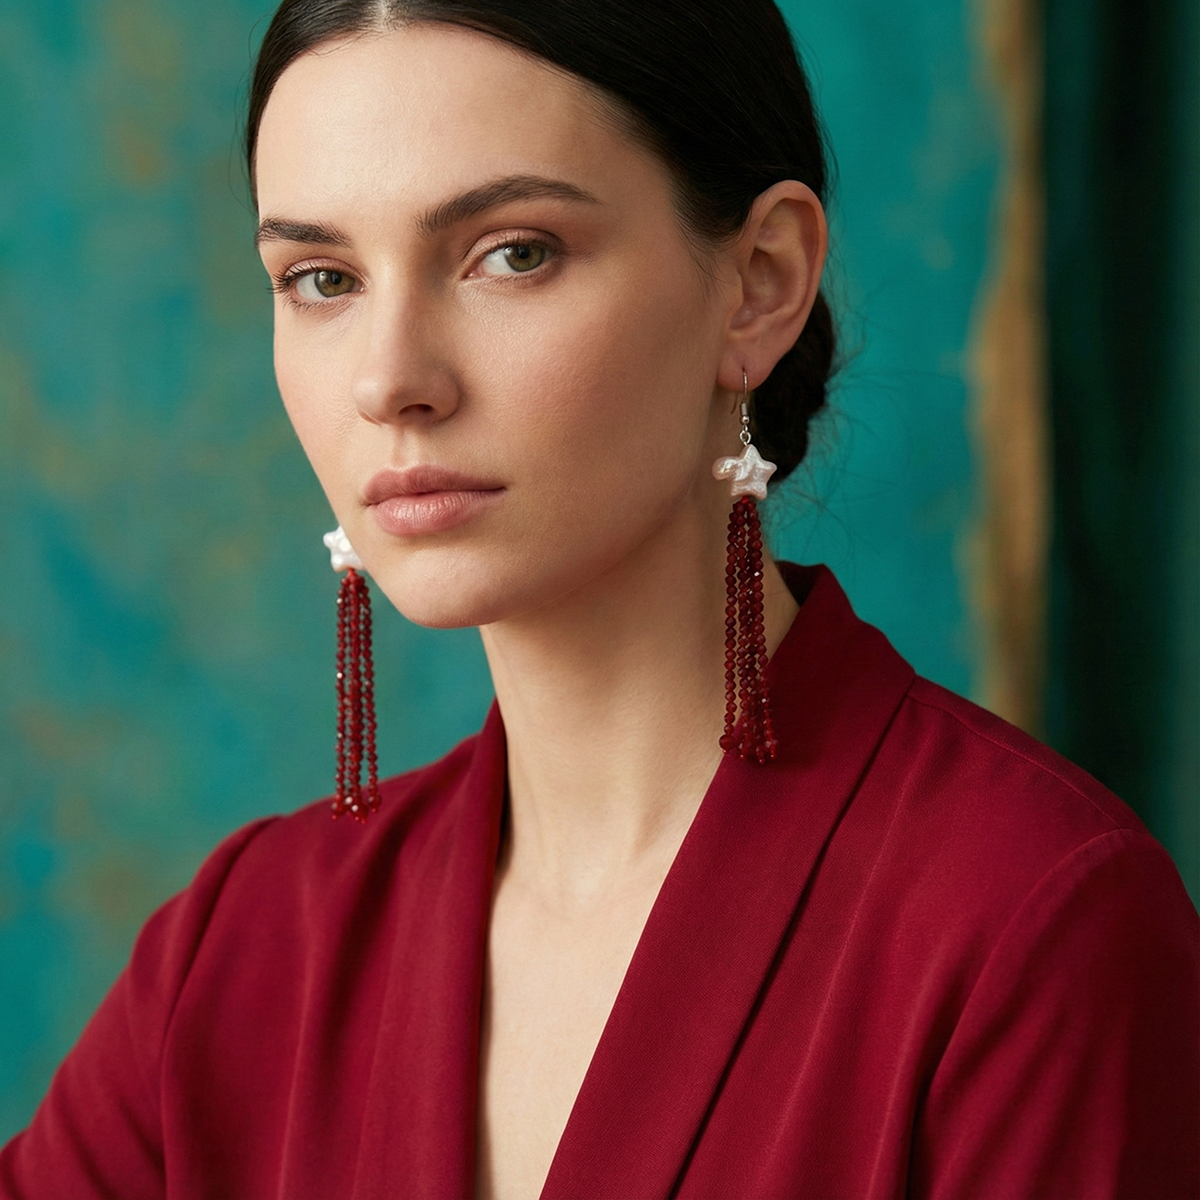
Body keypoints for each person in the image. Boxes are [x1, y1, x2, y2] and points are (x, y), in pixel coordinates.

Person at [2, 1, 1197, 1196]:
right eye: (321, 278)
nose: (389, 380)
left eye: (511, 252)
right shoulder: (246, 951)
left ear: (761, 282)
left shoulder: (1030, 929)